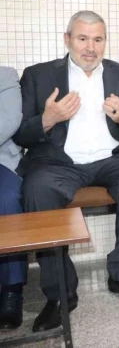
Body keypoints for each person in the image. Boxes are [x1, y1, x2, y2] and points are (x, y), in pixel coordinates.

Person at [14, 11, 119, 332]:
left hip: (112, 159)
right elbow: (20, 134)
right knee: (36, 188)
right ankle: (60, 293)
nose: (90, 47)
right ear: (67, 40)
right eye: (82, 38)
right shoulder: (38, 75)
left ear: (105, 42)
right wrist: (49, 118)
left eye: (98, 39)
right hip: (59, 162)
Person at [0, 67, 25, 331]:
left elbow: (8, 121)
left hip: (1, 161)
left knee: (8, 197)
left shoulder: (5, 76)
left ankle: (11, 290)